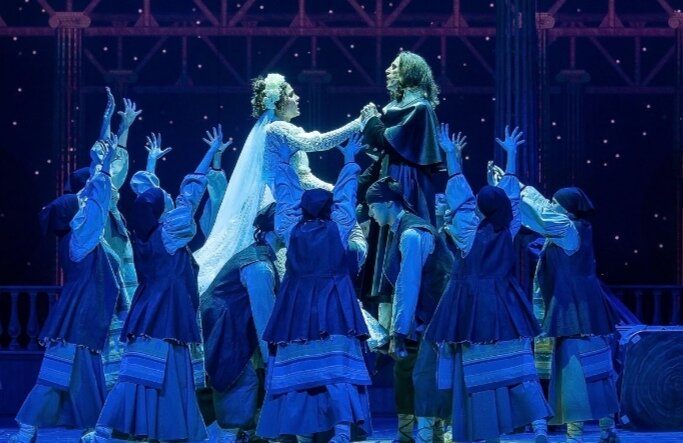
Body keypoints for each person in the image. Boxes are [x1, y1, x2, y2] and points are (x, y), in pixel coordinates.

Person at [91, 126, 228, 443]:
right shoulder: (170, 234)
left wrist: (151, 163)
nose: (170, 198)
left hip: (149, 310)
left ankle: (153, 429)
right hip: (164, 312)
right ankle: (119, 430)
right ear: (162, 211)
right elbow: (190, 194)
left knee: (145, 373)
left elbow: (152, 196)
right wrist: (210, 154)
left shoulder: (146, 235)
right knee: (155, 373)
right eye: (166, 199)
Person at [425, 125, 553, 443]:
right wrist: (511, 156)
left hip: (472, 303)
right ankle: (538, 426)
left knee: (480, 368)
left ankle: (487, 432)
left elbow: (458, 196)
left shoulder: (468, 231)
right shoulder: (510, 227)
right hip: (506, 302)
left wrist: (451, 156)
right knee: (518, 363)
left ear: (478, 208)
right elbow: (510, 196)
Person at [488, 163, 620, 443]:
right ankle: (605, 429)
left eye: (556, 203)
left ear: (568, 210)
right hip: (575, 308)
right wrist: (511, 184)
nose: (550, 205)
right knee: (590, 368)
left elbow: (540, 213)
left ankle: (584, 434)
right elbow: (538, 210)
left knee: (580, 371)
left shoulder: (568, 229)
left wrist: (514, 184)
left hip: (577, 311)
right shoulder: (568, 228)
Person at [195, 73, 361, 294]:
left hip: (290, 195)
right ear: (279, 103)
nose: (297, 98)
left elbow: (304, 176)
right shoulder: (277, 128)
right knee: (284, 256)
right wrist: (358, 123)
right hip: (278, 199)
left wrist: (331, 190)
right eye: (291, 94)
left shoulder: (279, 129)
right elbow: (317, 142)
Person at [256, 135, 372, 443]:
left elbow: (286, 197)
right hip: (334, 303)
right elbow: (346, 195)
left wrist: (284, 163)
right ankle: (342, 430)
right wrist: (349, 161)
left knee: (301, 367)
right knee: (337, 367)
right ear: (331, 209)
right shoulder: (340, 225)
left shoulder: (289, 227)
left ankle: (303, 432)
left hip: (297, 305)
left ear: (301, 209)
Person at [10, 138, 122, 443]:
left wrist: (100, 166)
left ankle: (86, 430)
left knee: (78, 376)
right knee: (58, 375)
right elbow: (95, 207)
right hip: (79, 317)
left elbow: (87, 199)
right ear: (74, 216)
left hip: (80, 316)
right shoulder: (81, 238)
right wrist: (105, 168)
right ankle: (32, 430)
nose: (83, 204)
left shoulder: (73, 237)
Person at [364, 176, 453, 443]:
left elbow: (409, 284)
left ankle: (433, 434)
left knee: (428, 374)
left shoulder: (412, 233)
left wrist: (399, 332)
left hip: (436, 314)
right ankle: (407, 434)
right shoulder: (401, 230)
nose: (371, 213)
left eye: (373, 207)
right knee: (405, 370)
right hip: (422, 315)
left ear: (389, 204)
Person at [200, 202, 282, 443]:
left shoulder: (258, 257)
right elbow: (265, 318)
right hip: (225, 331)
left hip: (229, 329)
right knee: (241, 384)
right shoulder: (259, 266)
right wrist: (272, 361)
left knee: (244, 384)